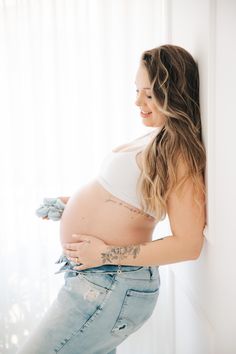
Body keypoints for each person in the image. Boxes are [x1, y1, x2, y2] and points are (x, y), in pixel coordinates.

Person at [18, 44, 206, 354]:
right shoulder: (157, 136)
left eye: (148, 94)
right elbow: (131, 199)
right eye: (137, 91)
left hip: (110, 280)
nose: (138, 102)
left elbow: (189, 244)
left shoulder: (180, 153)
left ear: (172, 94)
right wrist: (71, 206)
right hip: (98, 279)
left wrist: (105, 254)